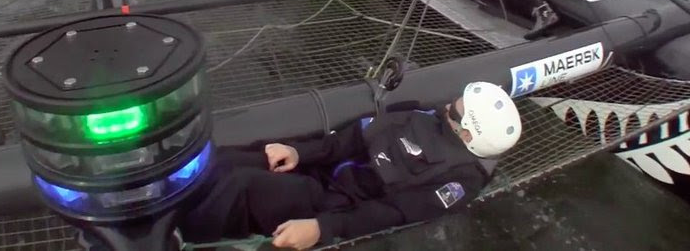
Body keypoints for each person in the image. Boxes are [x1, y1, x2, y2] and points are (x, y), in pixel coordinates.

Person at [178, 82, 522, 250]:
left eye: (456, 110)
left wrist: (322, 227)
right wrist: (299, 152)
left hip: (333, 204)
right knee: (233, 159)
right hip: (318, 170)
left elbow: (391, 214)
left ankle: (174, 233)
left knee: (244, 186)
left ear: (467, 132)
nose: (447, 105)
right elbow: (353, 138)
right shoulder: (420, 113)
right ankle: (166, 193)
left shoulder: (459, 181)